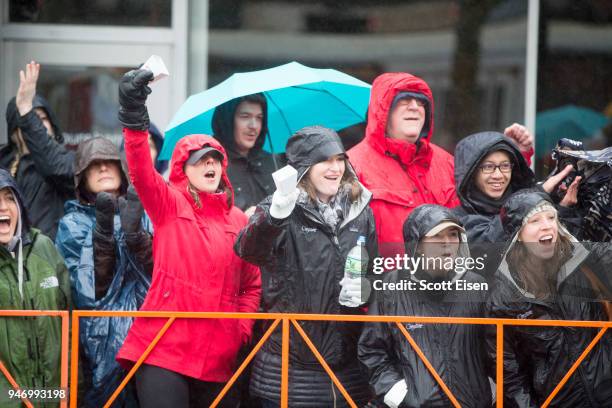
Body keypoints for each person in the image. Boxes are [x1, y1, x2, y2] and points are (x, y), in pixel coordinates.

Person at [115, 68, 261, 408]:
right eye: (200, 161)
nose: (210, 165)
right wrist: (133, 112)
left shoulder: (238, 219)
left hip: (218, 359)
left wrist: (240, 327)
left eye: (215, 160)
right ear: (184, 169)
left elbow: (251, 285)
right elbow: (139, 168)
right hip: (164, 350)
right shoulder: (169, 202)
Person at [235, 125, 377, 407]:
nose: (335, 167)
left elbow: (372, 271)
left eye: (340, 159)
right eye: (324, 160)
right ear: (303, 167)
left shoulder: (361, 210)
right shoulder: (280, 205)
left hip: (347, 369)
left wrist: (366, 288)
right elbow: (248, 250)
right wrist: (274, 216)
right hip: (288, 367)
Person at [348, 72, 534, 257]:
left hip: (453, 280)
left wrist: (512, 155)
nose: (414, 107)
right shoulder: (352, 167)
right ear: (382, 110)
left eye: (421, 102)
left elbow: (490, 207)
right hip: (387, 283)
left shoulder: (446, 162)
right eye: (404, 100)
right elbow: (345, 243)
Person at [487, 189, 612, 407]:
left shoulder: (587, 262)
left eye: (552, 217)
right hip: (556, 402)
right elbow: (508, 371)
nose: (547, 225)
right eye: (534, 221)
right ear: (518, 234)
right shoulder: (503, 295)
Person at [359, 205, 492, 408]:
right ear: (417, 245)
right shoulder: (391, 286)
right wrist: (401, 397)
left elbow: (497, 350)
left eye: (453, 235)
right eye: (437, 237)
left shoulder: (476, 285)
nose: (447, 244)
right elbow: (371, 351)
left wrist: (493, 391)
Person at [55, 137, 152, 407]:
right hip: (100, 343)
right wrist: (103, 233)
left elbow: (159, 270)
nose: (103, 169)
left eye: (110, 162)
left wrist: (137, 236)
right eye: (94, 165)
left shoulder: (146, 213)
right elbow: (87, 290)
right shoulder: (71, 224)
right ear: (81, 177)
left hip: (149, 336)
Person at [453, 131, 581, 275]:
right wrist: (537, 196)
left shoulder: (526, 199)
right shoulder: (456, 222)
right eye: (488, 167)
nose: (498, 175)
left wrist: (563, 209)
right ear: (471, 172)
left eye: (505, 166)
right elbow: (487, 250)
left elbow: (559, 263)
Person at [0, 168, 71, 397]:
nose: (3, 207)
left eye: (10, 198)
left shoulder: (44, 247)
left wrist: (72, 391)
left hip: (51, 397)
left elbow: (69, 327)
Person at [1, 61, 74, 240]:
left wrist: (26, 111)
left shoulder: (67, 160)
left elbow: (53, 165)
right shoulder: (4, 164)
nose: (38, 125)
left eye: (42, 118)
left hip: (50, 260)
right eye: (28, 120)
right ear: (13, 131)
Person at [212, 93, 279, 215]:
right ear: (228, 120)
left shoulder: (273, 162)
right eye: (245, 116)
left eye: (259, 118)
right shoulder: (211, 165)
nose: (254, 126)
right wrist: (240, 221)